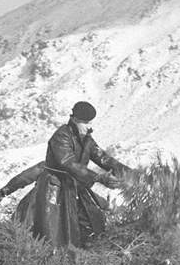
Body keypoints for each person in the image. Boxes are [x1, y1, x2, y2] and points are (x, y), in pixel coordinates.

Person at [25, 101, 129, 248]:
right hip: (54, 189)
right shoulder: (61, 137)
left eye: (90, 123)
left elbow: (103, 158)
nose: (89, 127)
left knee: (92, 224)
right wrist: (99, 177)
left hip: (74, 187)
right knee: (53, 234)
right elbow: (68, 163)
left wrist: (130, 174)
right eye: (86, 123)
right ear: (74, 119)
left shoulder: (86, 138)